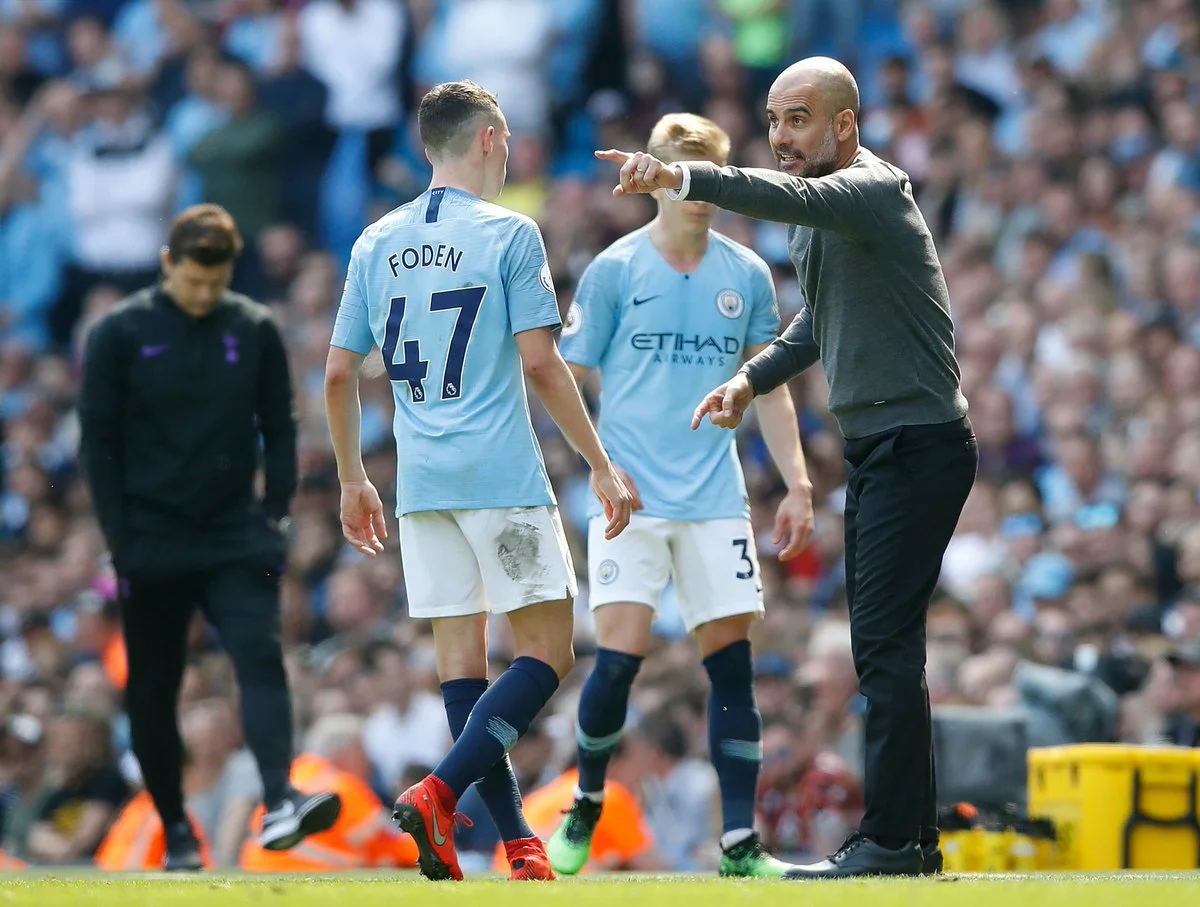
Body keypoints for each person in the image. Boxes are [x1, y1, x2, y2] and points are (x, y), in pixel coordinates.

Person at [597, 56, 979, 878]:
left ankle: (891, 841)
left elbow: (782, 197)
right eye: (773, 120)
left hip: (920, 443)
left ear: (845, 123)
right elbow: (816, 321)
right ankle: (910, 840)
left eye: (797, 118)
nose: (780, 135)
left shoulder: (872, 189)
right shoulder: (821, 213)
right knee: (886, 648)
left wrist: (681, 175)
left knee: (881, 648)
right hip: (881, 446)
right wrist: (749, 378)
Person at [324, 79, 633, 883]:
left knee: (462, 669)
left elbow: (338, 372)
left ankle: (518, 844)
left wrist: (353, 478)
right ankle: (439, 789)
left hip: (420, 484)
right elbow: (541, 362)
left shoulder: (373, 241)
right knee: (548, 652)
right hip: (500, 472)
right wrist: (601, 464)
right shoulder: (509, 232)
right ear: (490, 138)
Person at [546, 112, 813, 879]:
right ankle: (586, 802)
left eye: (708, 172)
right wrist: (598, 464)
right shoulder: (616, 269)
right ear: (655, 176)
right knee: (619, 658)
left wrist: (797, 482)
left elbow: (770, 387)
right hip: (629, 496)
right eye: (682, 168)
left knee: (731, 667)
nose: (696, 188)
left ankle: (740, 843)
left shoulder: (746, 274)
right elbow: (565, 377)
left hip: (714, 497)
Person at [78, 204, 343, 872]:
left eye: (215, 282)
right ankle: (175, 826)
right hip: (151, 536)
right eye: (193, 280)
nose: (203, 294)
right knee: (154, 685)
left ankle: (279, 796)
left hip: (233, 533)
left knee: (260, 654)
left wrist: (276, 514)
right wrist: (119, 534)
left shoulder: (252, 327)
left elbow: (279, 425)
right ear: (167, 262)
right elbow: (97, 441)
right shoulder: (119, 332)